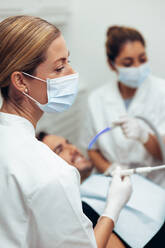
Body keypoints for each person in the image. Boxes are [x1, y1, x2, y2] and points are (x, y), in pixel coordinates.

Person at [0, 16, 132, 248]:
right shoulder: (54, 174)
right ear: (20, 81)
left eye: (68, 61)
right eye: (59, 67)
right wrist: (113, 208)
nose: (72, 73)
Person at [37, 131, 165, 248]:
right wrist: (112, 210)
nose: (73, 149)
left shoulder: (104, 178)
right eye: (60, 150)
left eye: (68, 142)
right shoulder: (82, 212)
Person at [79, 25, 165, 187]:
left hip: (156, 185)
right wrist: (111, 169)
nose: (137, 67)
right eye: (128, 63)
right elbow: (91, 148)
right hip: (113, 183)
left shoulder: (162, 92)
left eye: (142, 59)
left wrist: (144, 136)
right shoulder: (97, 99)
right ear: (112, 65)